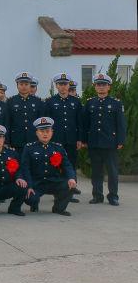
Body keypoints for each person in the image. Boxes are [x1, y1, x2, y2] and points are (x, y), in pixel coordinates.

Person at [82, 73, 126, 206]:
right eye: (98, 85)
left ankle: (113, 196)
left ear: (109, 87)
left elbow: (121, 124)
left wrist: (120, 140)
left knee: (112, 172)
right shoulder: (90, 103)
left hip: (110, 143)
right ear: (95, 87)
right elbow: (85, 124)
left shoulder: (116, 103)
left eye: (104, 85)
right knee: (96, 172)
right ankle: (97, 195)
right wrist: (84, 140)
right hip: (94, 143)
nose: (101, 87)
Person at [20, 117, 77, 215]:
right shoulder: (29, 148)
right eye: (42, 131)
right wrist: (29, 186)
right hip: (37, 183)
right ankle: (34, 204)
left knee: (70, 186)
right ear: (37, 133)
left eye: (47, 131)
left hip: (53, 181)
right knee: (30, 198)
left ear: (52, 132)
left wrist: (71, 178)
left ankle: (59, 208)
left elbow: (67, 165)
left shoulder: (58, 148)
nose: (45, 134)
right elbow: (25, 168)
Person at [44, 73, 83, 201]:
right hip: (56, 141)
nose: (63, 87)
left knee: (71, 165)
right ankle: (58, 193)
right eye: (60, 84)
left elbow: (80, 122)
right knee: (56, 166)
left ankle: (70, 193)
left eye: (65, 84)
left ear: (69, 85)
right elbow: (47, 124)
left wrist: (79, 139)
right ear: (56, 86)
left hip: (71, 140)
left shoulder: (76, 102)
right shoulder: (50, 102)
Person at [6, 72, 44, 153]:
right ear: (17, 85)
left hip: (34, 139)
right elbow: (7, 123)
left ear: (30, 85)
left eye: (26, 84)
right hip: (16, 141)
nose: (24, 87)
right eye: (21, 84)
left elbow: (41, 123)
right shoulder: (10, 102)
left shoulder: (38, 102)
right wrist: (7, 142)